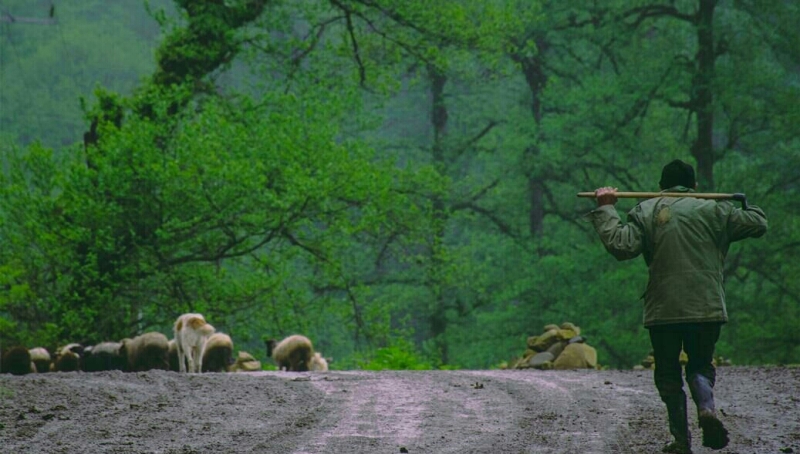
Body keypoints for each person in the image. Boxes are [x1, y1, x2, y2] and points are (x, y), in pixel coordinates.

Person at [586, 159, 767, 454]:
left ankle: (681, 442)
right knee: (700, 365)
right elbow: (758, 224)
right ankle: (706, 407)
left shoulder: (647, 211)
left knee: (668, 373)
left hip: (664, 310)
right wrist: (746, 203)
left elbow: (622, 246)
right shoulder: (716, 209)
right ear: (695, 187)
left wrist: (607, 207)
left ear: (660, 188)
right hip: (706, 306)